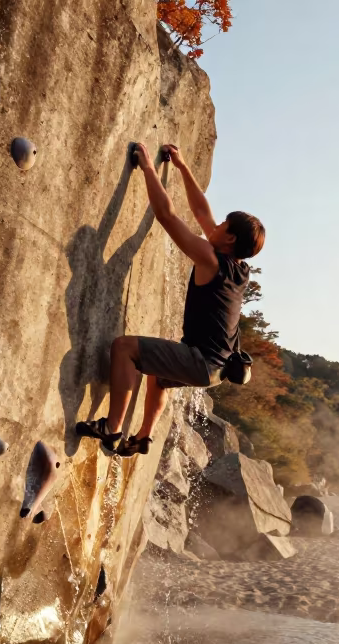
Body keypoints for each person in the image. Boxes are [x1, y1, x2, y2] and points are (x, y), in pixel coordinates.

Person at [76, 142, 265, 457]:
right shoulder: (239, 269)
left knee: (124, 348)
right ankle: (143, 437)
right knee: (159, 377)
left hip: (202, 362)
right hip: (217, 370)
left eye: (221, 226)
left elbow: (166, 215)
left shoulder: (210, 259)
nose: (213, 226)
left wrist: (148, 167)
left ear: (229, 238)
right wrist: (181, 167)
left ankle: (111, 430)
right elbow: (202, 212)